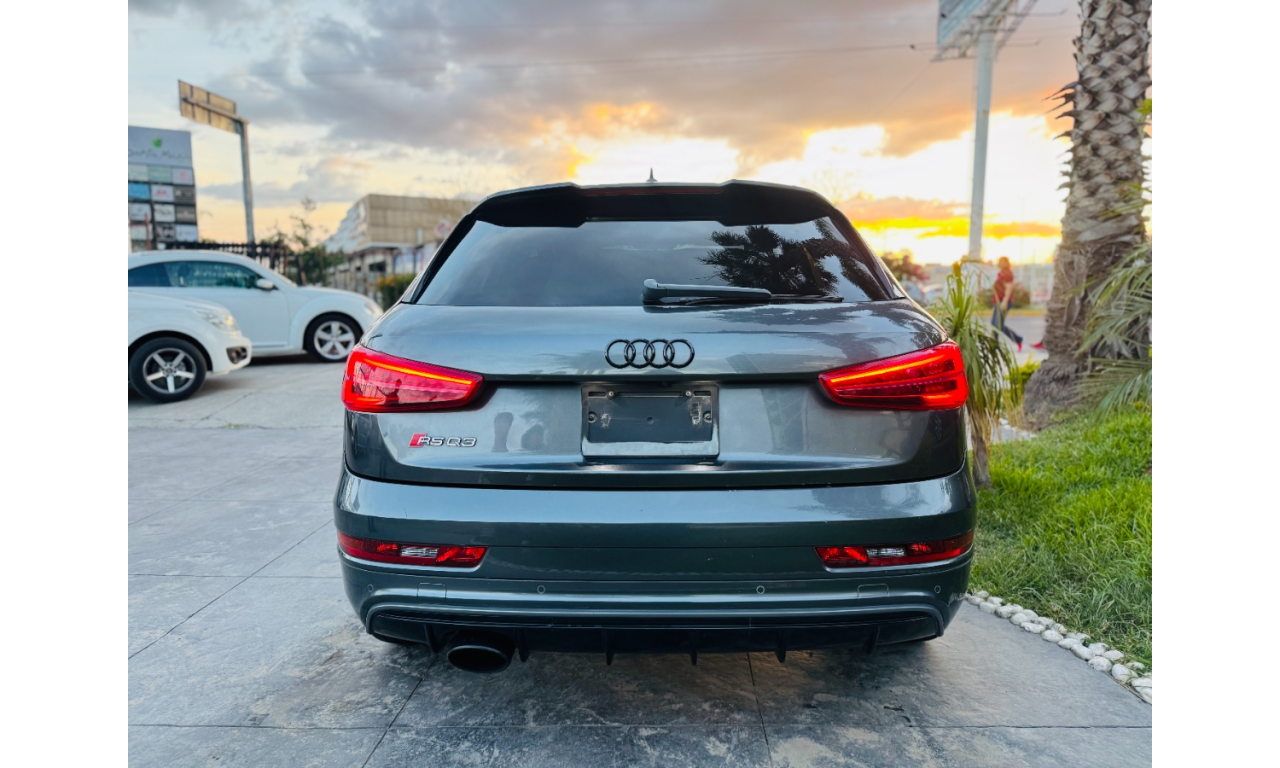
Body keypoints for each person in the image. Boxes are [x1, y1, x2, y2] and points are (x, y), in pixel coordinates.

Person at [991, 257, 1026, 352]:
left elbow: (1009, 287)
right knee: (995, 325)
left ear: (1006, 263)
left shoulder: (1007, 273)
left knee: (997, 325)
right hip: (998, 302)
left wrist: (1005, 301)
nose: (1000, 263)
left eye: (1002, 262)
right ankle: (995, 345)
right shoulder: (1002, 273)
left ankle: (1017, 340)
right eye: (999, 261)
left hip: (1003, 302)